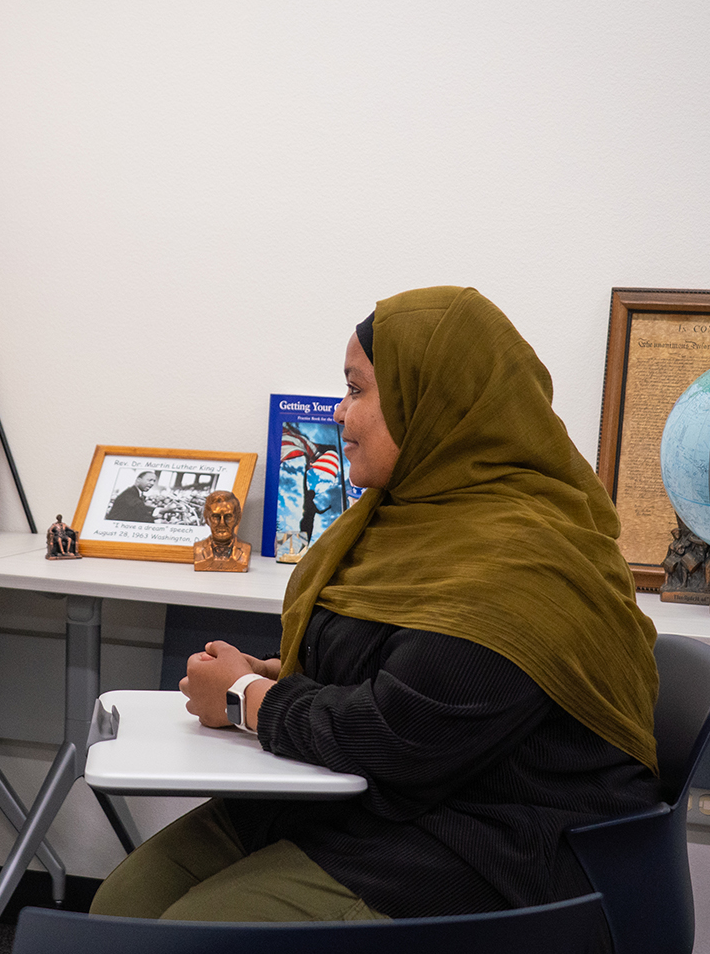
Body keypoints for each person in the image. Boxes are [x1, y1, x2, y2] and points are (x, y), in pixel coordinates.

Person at [91, 286, 660, 922]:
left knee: (187, 933)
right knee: (121, 906)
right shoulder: (405, 520)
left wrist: (245, 697)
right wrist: (278, 674)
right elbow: (398, 672)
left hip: (487, 844)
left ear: (433, 401)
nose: (338, 412)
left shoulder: (524, 562)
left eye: (355, 389)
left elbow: (400, 736)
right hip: (368, 801)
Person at [192, 490, 252, 571]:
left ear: (238, 519)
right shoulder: (199, 549)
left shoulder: (245, 549)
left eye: (228, 516)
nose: (222, 523)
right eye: (216, 517)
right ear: (206, 519)